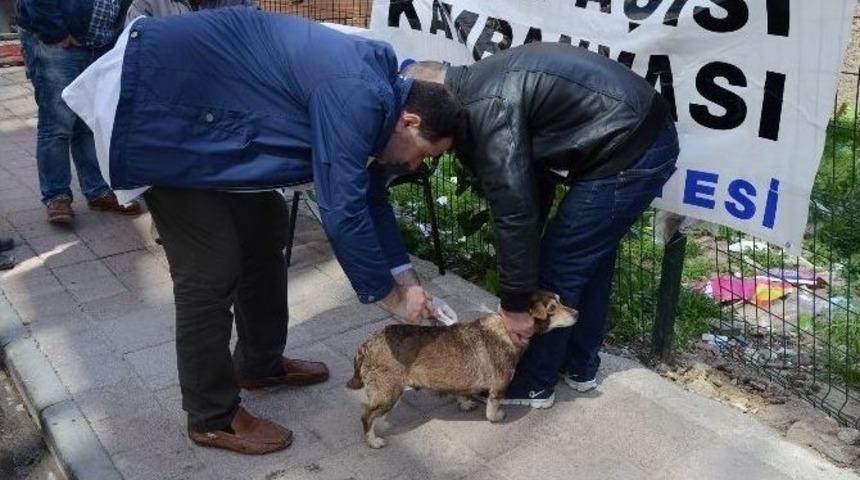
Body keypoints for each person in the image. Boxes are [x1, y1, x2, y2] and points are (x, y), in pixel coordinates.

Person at [63, 8, 463, 455]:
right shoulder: (358, 93)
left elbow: (369, 195)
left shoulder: (380, 96)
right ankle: (211, 415)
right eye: (423, 154)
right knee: (210, 269)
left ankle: (258, 363)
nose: (415, 165)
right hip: (160, 108)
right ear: (410, 121)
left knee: (266, 224)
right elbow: (343, 209)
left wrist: (406, 280)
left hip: (213, 117)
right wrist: (391, 298)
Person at [405, 42, 679, 408]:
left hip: (632, 143)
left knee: (560, 264)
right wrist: (524, 262)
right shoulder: (475, 93)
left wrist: (516, 303)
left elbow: (514, 210)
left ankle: (532, 382)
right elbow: (531, 185)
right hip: (634, 132)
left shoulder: (485, 109)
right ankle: (579, 366)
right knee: (587, 259)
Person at [15, 0, 142, 223]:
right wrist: (56, 33)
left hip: (99, 45)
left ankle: (97, 191)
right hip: (58, 43)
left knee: (88, 120)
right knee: (57, 125)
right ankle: (57, 196)